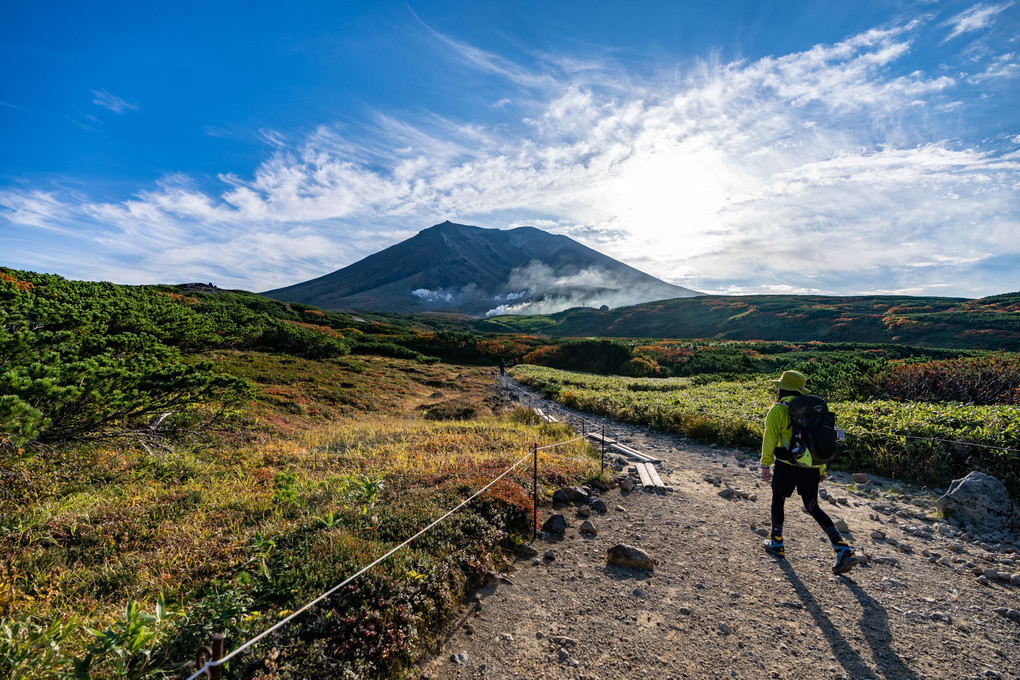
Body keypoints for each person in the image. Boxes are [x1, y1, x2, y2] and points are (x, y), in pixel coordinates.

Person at [760, 370, 858, 575]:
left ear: (782, 387)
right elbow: (820, 440)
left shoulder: (779, 409)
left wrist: (765, 464)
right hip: (812, 466)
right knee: (813, 506)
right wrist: (821, 467)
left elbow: (770, 438)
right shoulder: (814, 410)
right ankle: (842, 548)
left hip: (788, 464)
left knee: (778, 499)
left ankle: (777, 543)